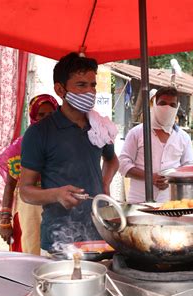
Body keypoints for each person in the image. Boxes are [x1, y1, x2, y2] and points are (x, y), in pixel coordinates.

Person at [19, 52, 119, 255]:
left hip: (99, 232)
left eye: (93, 85)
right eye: (81, 85)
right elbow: (25, 191)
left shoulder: (99, 126)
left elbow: (111, 159)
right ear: (60, 89)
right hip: (59, 239)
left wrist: (104, 184)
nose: (90, 92)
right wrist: (56, 194)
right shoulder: (39, 133)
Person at [0, 94, 58, 255]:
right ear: (33, 116)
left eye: (51, 114)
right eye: (41, 114)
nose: (46, 119)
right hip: (29, 209)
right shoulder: (22, 145)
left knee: (56, 256)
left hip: (57, 205)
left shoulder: (63, 143)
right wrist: (4, 220)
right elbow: (10, 184)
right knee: (29, 252)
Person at [119, 86, 193, 203]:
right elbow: (123, 164)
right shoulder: (137, 133)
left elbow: (190, 168)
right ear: (154, 104)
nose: (167, 108)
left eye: (172, 105)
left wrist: (172, 179)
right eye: (163, 103)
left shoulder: (183, 137)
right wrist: (149, 177)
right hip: (139, 201)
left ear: (177, 107)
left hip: (171, 202)